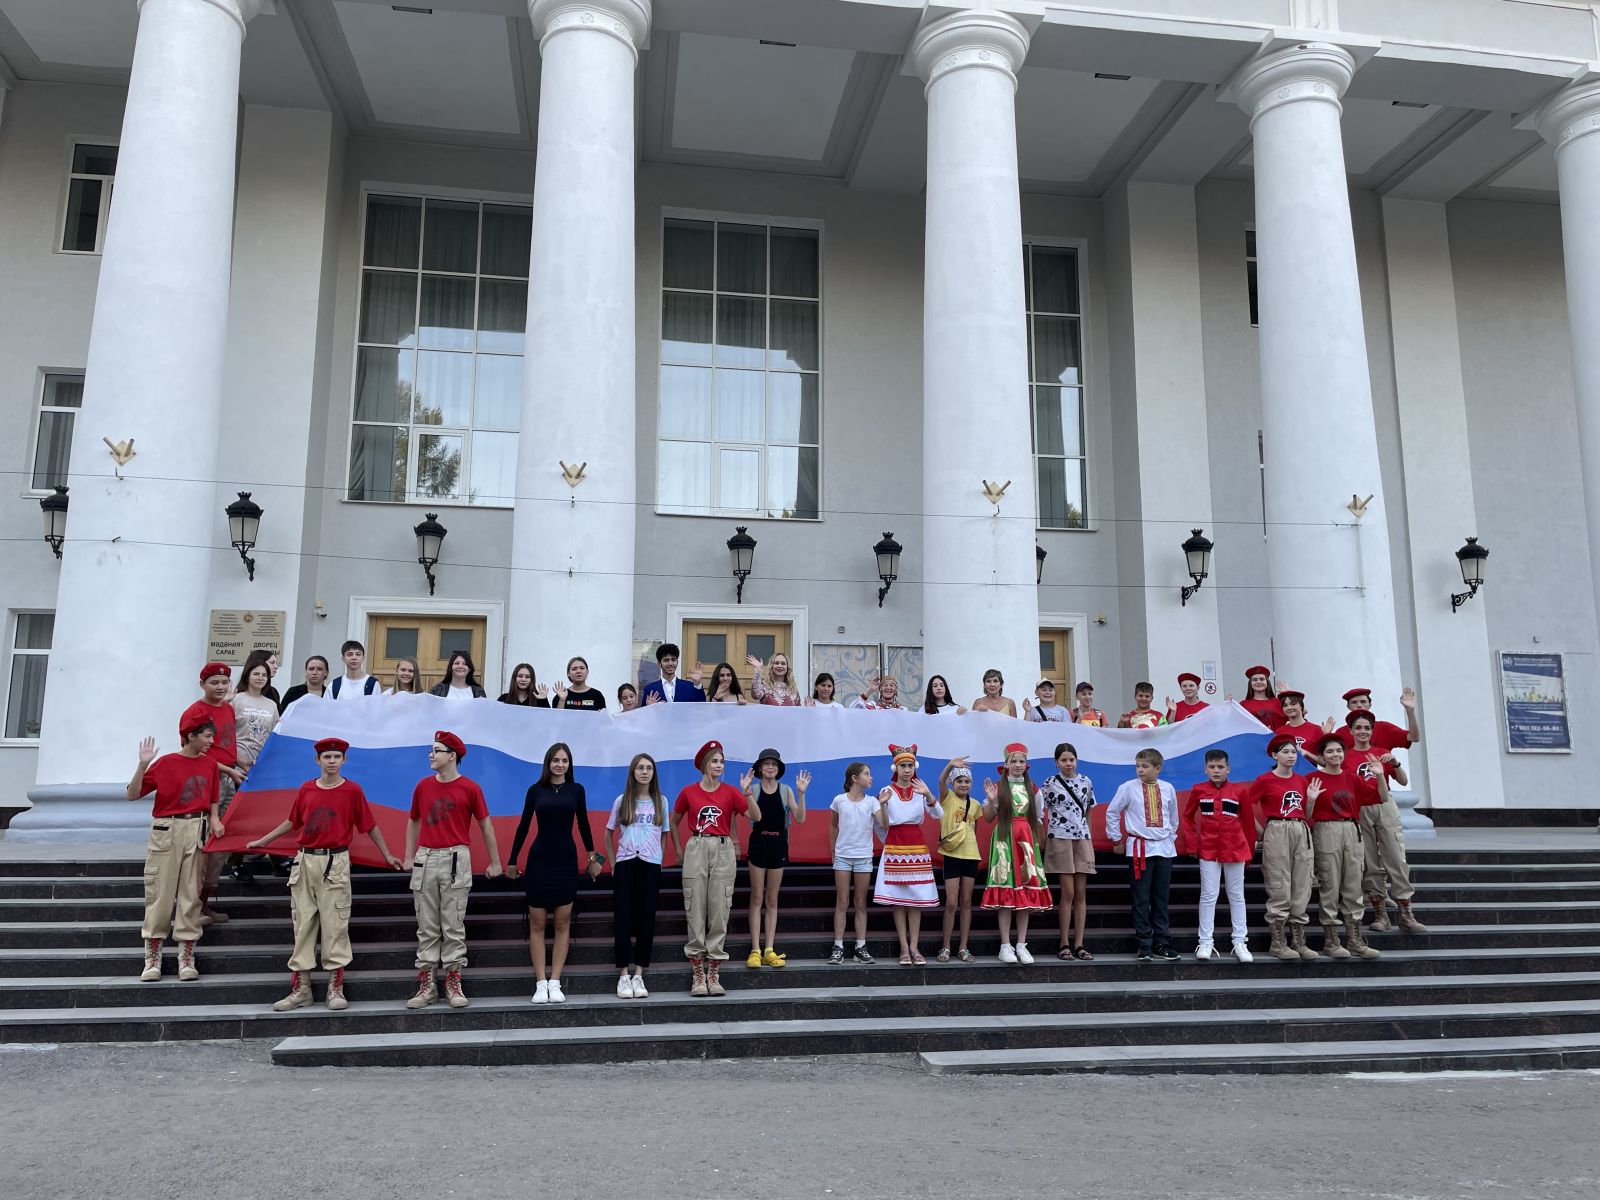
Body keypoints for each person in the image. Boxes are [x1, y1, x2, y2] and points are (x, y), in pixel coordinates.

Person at [245, 737, 404, 1011]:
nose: (332, 761)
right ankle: (301, 989)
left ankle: (335, 988)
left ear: (344, 760)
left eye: (337, 757)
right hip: (305, 861)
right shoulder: (307, 789)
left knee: (335, 925)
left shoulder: (352, 791)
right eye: (327, 757)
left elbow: (369, 825)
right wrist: (263, 841)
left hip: (335, 862)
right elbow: (293, 821)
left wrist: (387, 854)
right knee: (303, 923)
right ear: (317, 760)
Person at [403, 731, 502, 1010]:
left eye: (437, 750)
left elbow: (485, 824)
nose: (431, 755)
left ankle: (453, 982)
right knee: (426, 925)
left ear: (452, 756)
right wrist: (408, 855)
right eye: (431, 750)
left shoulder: (470, 788)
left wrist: (495, 861)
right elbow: (413, 820)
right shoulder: (423, 786)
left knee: (453, 924)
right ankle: (427, 985)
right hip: (426, 857)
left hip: (456, 857)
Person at [125, 718, 223, 982]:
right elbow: (132, 794)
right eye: (207, 736)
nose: (211, 741)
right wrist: (143, 765)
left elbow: (213, 796)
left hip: (198, 828)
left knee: (192, 893)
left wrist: (215, 819)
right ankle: (152, 957)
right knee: (160, 893)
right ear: (191, 736)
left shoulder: (210, 764)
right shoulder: (166, 763)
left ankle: (186, 957)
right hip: (167, 829)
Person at [507, 742, 604, 1004]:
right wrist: (512, 860)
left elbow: (584, 824)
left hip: (566, 861)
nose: (560, 764)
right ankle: (540, 983)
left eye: (564, 760)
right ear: (548, 763)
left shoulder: (577, 790)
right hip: (539, 861)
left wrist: (594, 858)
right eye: (555, 760)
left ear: (569, 764)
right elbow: (523, 826)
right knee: (537, 924)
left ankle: (555, 981)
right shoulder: (535, 790)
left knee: (562, 923)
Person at [672, 740, 756, 996]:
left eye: (721, 762)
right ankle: (698, 972)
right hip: (697, 846)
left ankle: (714, 972)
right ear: (704, 764)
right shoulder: (688, 792)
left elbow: (756, 817)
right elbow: (674, 821)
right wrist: (679, 849)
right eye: (714, 761)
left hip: (722, 847)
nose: (719, 765)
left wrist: (747, 793)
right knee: (695, 907)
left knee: (720, 908)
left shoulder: (731, 792)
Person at [605, 753, 680, 999]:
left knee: (646, 919)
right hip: (626, 864)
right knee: (623, 918)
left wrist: (659, 859)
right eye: (640, 768)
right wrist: (614, 863)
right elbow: (608, 833)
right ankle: (623, 975)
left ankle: (639, 974)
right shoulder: (622, 800)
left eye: (649, 768)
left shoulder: (661, 801)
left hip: (650, 865)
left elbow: (664, 834)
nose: (645, 772)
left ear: (654, 773)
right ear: (633, 772)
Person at [1347, 711, 1426, 934]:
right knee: (1369, 862)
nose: (1362, 732)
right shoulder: (1346, 757)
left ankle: (1406, 913)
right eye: (1358, 728)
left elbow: (1403, 781)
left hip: (1384, 806)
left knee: (1396, 858)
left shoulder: (1382, 753)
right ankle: (1380, 914)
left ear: (1372, 731)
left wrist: (1396, 763)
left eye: (1367, 728)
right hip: (1360, 809)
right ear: (1351, 731)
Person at [1307, 733, 1384, 961]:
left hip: (1352, 829)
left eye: (1339, 751)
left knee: (1353, 885)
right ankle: (1331, 941)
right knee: (1330, 885)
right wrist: (1311, 800)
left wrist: (1380, 776)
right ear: (1322, 756)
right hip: (1326, 830)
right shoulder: (1312, 779)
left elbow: (1381, 797)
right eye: (1329, 751)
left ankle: (1355, 939)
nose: (1335, 755)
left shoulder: (1352, 778)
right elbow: (1306, 814)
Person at [1249, 733, 1322, 961]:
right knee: (1279, 882)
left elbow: (1306, 815)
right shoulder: (1264, 780)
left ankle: (1299, 941)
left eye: (1293, 752)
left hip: (1300, 829)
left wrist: (1311, 799)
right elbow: (1245, 805)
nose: (1291, 756)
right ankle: (1278, 943)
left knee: (1302, 883)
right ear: (1275, 755)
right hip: (1277, 828)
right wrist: (1260, 831)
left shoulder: (1301, 780)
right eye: (1285, 752)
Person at [1178, 749, 1255, 962]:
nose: (1216, 770)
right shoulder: (1199, 789)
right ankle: (1205, 942)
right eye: (1212, 767)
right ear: (1205, 769)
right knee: (1208, 895)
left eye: (1220, 767)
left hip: (1235, 849)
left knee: (1236, 895)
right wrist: (1192, 844)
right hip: (1208, 849)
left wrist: (1249, 853)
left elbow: (1248, 822)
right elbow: (1187, 817)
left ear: (1228, 769)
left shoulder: (1240, 790)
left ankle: (1240, 942)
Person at [1104, 748, 1180, 962]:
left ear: (1158, 768)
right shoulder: (1128, 788)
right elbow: (1112, 811)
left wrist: (1170, 837)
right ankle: (1144, 944)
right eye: (1138, 765)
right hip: (1140, 848)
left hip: (1164, 849)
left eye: (1145, 766)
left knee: (1161, 898)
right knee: (1141, 898)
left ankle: (1162, 942)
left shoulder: (1168, 788)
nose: (1140, 770)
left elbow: (1173, 817)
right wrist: (1116, 839)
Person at [981, 742, 1052, 962]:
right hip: (1004, 839)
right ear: (1006, 764)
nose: (1018, 765)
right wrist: (991, 801)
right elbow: (988, 818)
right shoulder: (997, 787)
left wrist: (1038, 847)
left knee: (1025, 893)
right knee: (1006, 891)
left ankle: (1021, 944)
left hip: (1026, 841)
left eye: (1021, 761)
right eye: (1013, 761)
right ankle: (1005, 946)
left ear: (1026, 764)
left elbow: (1038, 819)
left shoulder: (1034, 789)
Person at [873, 744, 942, 965]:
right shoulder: (887, 790)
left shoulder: (920, 789)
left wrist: (928, 794)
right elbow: (882, 825)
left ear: (915, 767)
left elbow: (938, 814)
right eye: (903, 765)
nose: (906, 770)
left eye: (910, 766)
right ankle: (904, 948)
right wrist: (883, 806)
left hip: (916, 847)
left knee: (916, 900)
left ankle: (914, 947)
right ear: (896, 767)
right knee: (899, 900)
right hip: (895, 846)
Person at [186, 663, 244, 926]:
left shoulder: (228, 708)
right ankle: (191, 906)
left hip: (229, 777)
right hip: (208, 780)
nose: (220, 687)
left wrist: (240, 763)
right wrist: (228, 770)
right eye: (214, 682)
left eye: (224, 682)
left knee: (221, 841)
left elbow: (225, 745)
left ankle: (206, 903)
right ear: (202, 684)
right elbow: (195, 754)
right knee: (204, 840)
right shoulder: (195, 713)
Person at [743, 748, 809, 968]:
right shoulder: (752, 789)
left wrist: (801, 793)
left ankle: (769, 950)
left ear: (778, 768)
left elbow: (800, 818)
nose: (770, 767)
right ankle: (755, 950)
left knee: (772, 899)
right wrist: (746, 794)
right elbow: (746, 814)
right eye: (766, 764)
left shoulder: (786, 790)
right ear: (760, 768)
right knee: (756, 898)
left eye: (774, 764)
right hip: (758, 844)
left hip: (778, 845)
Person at [1037, 742, 1096, 960]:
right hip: (1060, 837)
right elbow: (1039, 811)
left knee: (1081, 893)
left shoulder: (1086, 781)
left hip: (1081, 839)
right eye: (1064, 760)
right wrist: (1042, 837)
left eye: (1071, 759)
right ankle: (1064, 943)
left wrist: (1088, 836)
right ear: (1056, 762)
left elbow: (1088, 809)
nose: (1068, 763)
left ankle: (1079, 944)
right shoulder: (1050, 783)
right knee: (1068, 892)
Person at [225, 657, 280, 884]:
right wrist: (238, 760)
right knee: (239, 816)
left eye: (264, 675)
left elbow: (275, 736)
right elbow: (225, 734)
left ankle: (271, 856)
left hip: (261, 768)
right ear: (247, 675)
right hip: (238, 765)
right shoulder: (236, 700)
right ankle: (235, 862)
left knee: (262, 815)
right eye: (256, 673)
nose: (260, 678)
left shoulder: (271, 705)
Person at [828, 762, 879, 964]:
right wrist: (833, 851)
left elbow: (884, 823)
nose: (871, 777)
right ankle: (838, 947)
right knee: (842, 901)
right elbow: (833, 826)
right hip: (843, 856)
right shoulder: (839, 800)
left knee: (860, 902)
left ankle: (860, 947)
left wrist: (883, 805)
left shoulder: (873, 802)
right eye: (867, 774)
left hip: (864, 857)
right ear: (855, 778)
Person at [934, 759, 981, 963]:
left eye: (967, 781)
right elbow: (941, 781)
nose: (963, 784)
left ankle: (963, 947)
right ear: (953, 784)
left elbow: (975, 829)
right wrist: (951, 765)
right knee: (952, 902)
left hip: (971, 856)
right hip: (952, 855)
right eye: (959, 781)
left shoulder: (976, 804)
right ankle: (945, 947)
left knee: (966, 901)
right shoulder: (948, 798)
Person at [1334, 687, 1420, 754]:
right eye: (1354, 702)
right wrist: (1326, 734)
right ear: (1348, 707)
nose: (1359, 705)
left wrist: (1410, 711)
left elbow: (1414, 737)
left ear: (1370, 705)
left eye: (1363, 702)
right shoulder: (1341, 733)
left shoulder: (1385, 728)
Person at [1274, 688, 1328, 756]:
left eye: (1293, 704)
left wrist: (1307, 753)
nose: (1289, 708)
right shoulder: (1279, 732)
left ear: (1301, 706)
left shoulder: (1316, 730)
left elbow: (1324, 761)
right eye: (1285, 705)